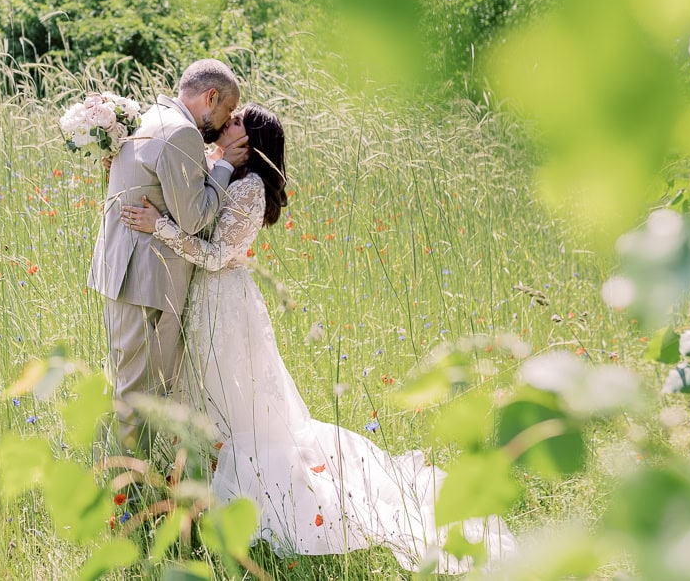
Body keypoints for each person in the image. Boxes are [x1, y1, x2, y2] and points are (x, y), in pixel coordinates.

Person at [120, 104, 515, 573]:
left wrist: (157, 227)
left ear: (254, 144)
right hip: (203, 303)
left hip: (226, 306)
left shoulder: (249, 190)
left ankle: (235, 502)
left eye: (234, 125)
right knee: (201, 395)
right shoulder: (222, 170)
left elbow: (217, 255)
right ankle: (192, 490)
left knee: (234, 405)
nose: (223, 128)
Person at [88, 59, 249, 452]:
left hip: (124, 274)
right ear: (211, 97)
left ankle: (116, 476)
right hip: (148, 282)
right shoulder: (182, 134)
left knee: (126, 384)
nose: (225, 122)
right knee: (138, 397)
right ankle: (127, 489)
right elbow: (194, 219)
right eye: (227, 110)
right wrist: (225, 163)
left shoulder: (150, 118)